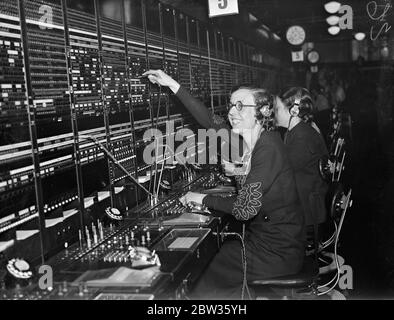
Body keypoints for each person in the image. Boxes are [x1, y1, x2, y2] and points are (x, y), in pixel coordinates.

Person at [143, 70, 305, 299]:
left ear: (263, 112)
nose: (231, 111)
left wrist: (202, 198)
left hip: (278, 252)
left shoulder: (268, 147)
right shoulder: (252, 141)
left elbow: (245, 209)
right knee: (219, 253)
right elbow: (210, 121)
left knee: (205, 269)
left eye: (240, 106)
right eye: (231, 105)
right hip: (268, 244)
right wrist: (171, 84)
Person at [274, 87, 329, 239]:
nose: (274, 113)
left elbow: (282, 172)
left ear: (293, 111)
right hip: (304, 206)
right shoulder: (296, 131)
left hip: (307, 215)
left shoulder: (302, 137)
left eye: (277, 109)